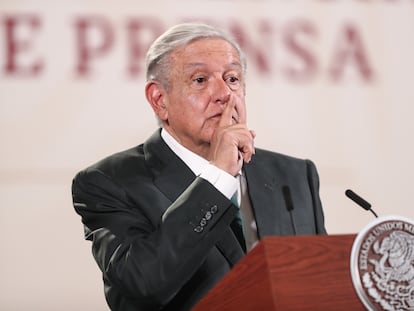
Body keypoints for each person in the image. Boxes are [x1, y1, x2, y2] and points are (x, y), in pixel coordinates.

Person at [71, 22, 327, 311]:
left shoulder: (293, 174)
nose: (224, 94)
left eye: (232, 78)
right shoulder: (108, 182)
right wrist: (218, 176)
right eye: (200, 80)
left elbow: (317, 283)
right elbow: (144, 284)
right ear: (159, 100)